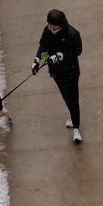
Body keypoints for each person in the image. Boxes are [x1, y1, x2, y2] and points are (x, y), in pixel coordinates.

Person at [31, 9, 84, 143]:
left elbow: (77, 51)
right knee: (66, 96)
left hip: (70, 71)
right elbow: (44, 48)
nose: (52, 27)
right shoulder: (47, 31)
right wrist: (38, 60)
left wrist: (60, 56)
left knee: (73, 98)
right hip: (56, 72)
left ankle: (76, 128)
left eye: (54, 25)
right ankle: (73, 118)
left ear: (61, 24)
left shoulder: (72, 33)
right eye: (50, 24)